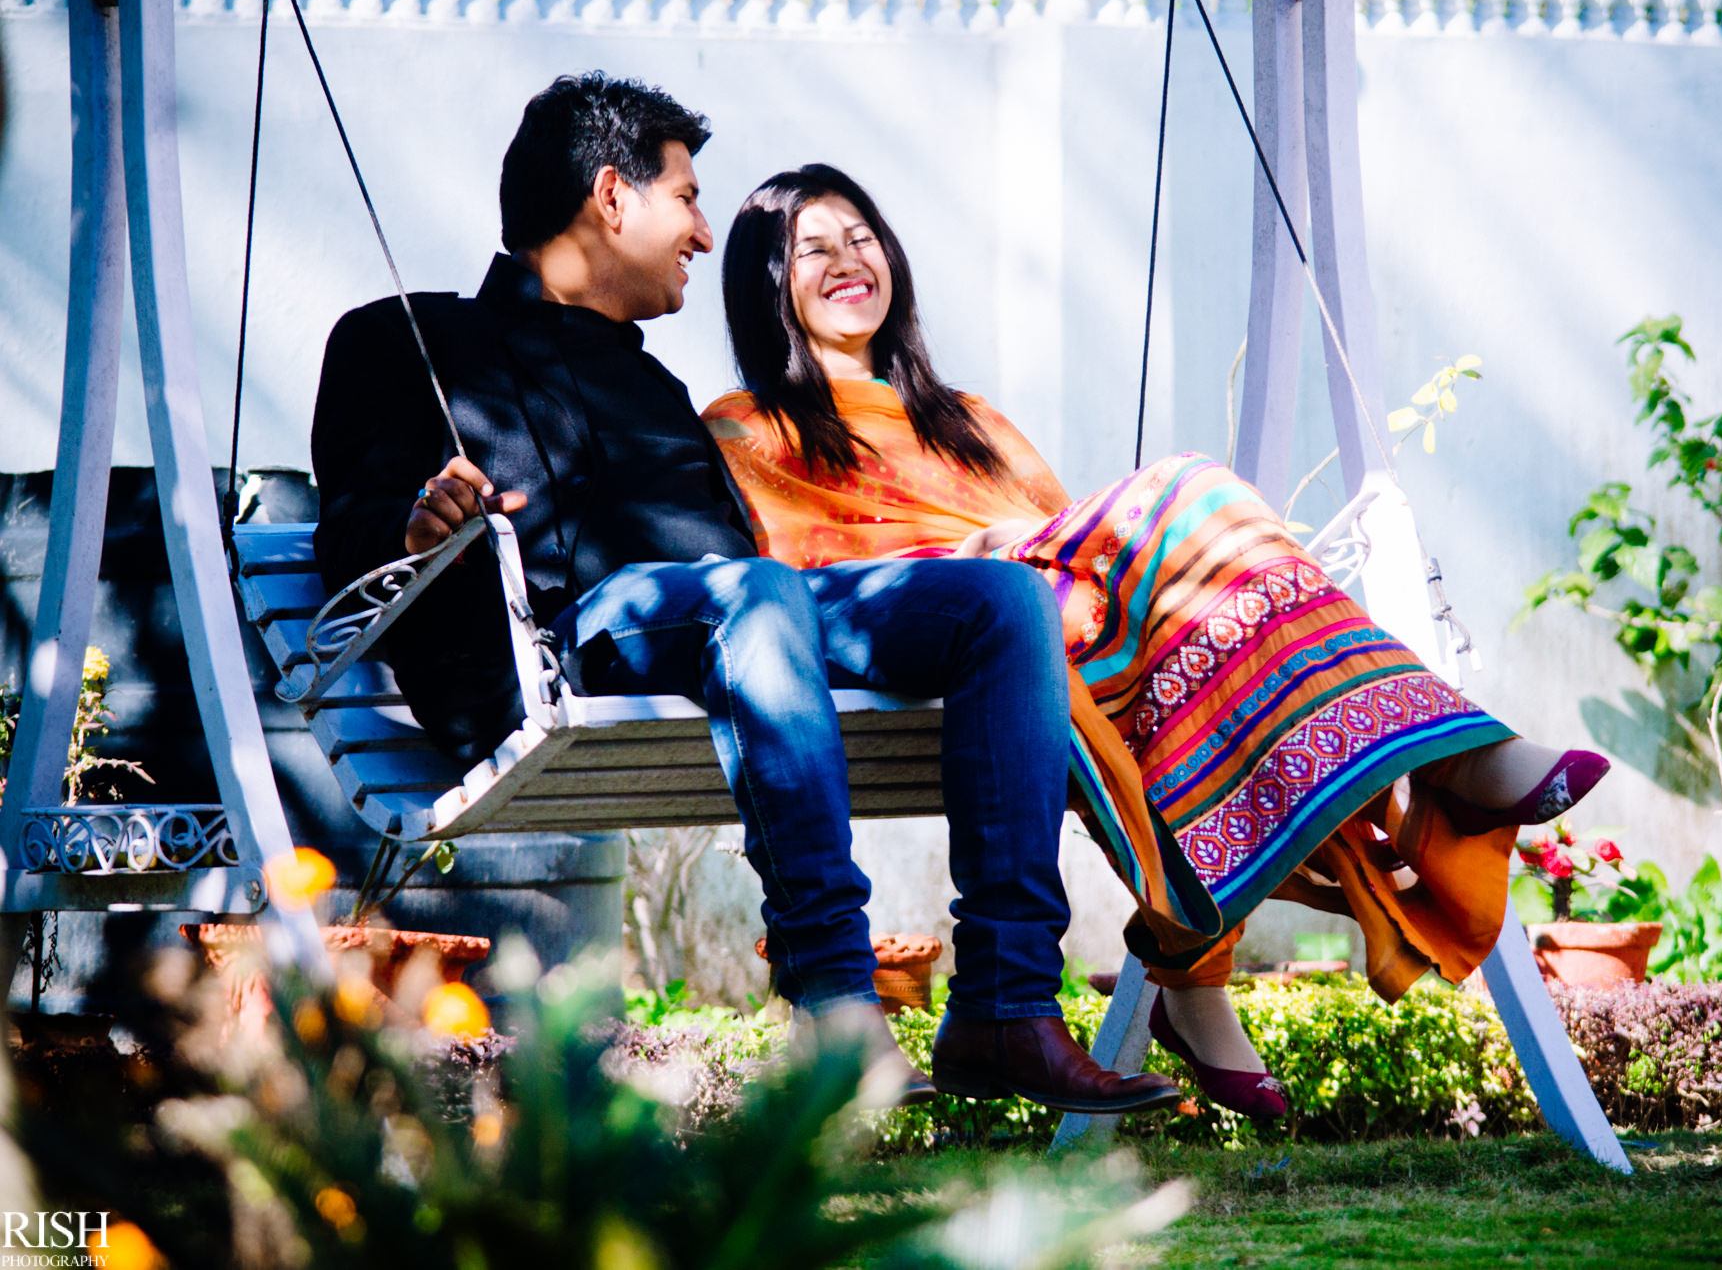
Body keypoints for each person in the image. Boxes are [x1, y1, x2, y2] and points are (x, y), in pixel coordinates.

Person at [310, 77, 1178, 1117]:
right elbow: (347, 529)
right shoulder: (406, 338)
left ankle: (1006, 1000)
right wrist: (415, 519)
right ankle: (834, 1003)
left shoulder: (652, 385)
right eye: (684, 197)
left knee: (998, 601)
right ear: (609, 196)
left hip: (743, 625)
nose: (703, 231)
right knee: (749, 594)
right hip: (558, 650)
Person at [703, 164, 1611, 1119]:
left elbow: (1069, 536)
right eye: (815, 250)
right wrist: (976, 558)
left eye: (864, 237)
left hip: (1072, 634)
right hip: (943, 648)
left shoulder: (969, 423)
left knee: (1220, 622)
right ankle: (1445, 766)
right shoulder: (753, 427)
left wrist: (1028, 560)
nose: (851, 261)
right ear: (770, 283)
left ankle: (1208, 964)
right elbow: (808, 574)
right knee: (1194, 490)